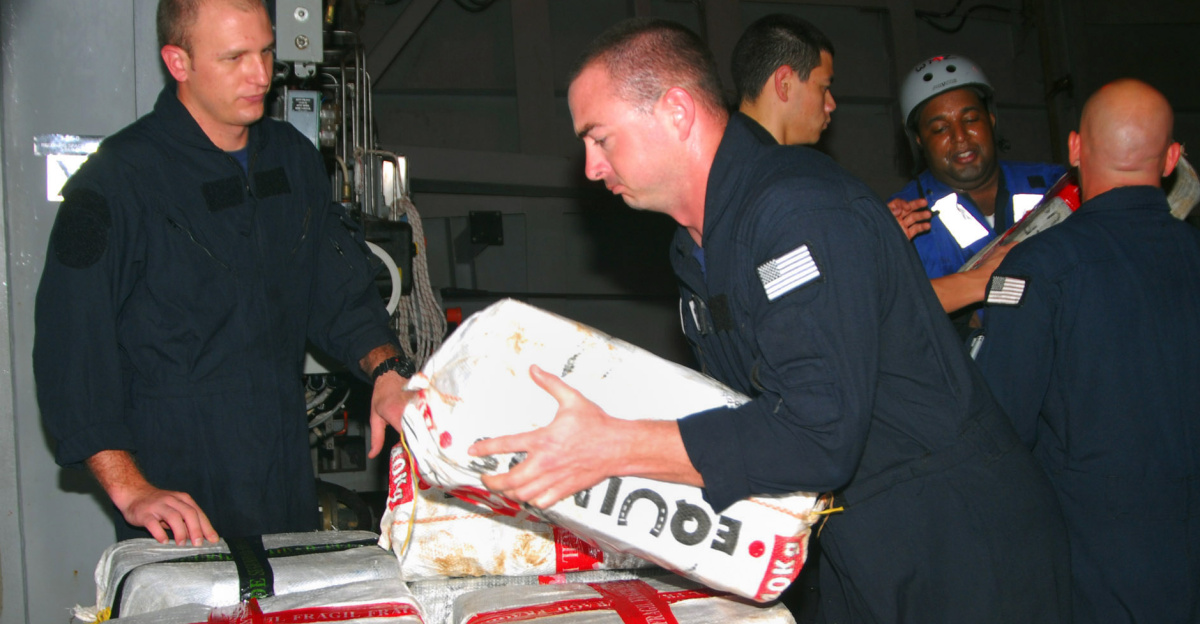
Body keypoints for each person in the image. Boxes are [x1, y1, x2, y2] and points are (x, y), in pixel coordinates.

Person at [470, 19, 1069, 622]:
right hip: (857, 538)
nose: (591, 168)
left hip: (956, 543)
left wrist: (614, 447)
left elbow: (816, 432)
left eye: (600, 138)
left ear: (676, 111)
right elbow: (745, 412)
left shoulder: (794, 210)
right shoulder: (696, 246)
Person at [33, 0, 414, 546]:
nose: (260, 76)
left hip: (282, 466)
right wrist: (131, 489)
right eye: (234, 58)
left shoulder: (293, 160)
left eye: (265, 53)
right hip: (178, 489)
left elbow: (338, 289)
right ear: (178, 62)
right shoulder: (119, 180)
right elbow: (72, 349)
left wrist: (386, 370)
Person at [975, 79, 1198, 623]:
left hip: (1098, 570)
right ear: (1171, 159)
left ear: (1075, 148)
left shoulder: (1040, 267)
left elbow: (999, 428)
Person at [888, 55, 1066, 328]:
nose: (960, 137)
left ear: (991, 119)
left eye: (970, 119)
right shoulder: (898, 224)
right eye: (940, 128)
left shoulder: (1056, 184)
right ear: (920, 140)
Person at [731, 14, 835, 146]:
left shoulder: (719, 160)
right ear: (784, 84)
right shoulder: (807, 165)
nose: (831, 105)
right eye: (824, 88)